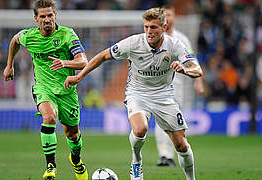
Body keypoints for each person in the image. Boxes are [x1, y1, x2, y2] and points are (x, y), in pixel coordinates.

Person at [64, 7, 203, 180]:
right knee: (140, 129)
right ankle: (136, 161)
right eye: (146, 27)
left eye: (153, 27)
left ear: (164, 27)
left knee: (182, 146)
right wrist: (80, 76)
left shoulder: (175, 45)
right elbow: (102, 56)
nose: (149, 32)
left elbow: (197, 69)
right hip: (138, 94)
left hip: (164, 96)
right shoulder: (132, 43)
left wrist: (185, 70)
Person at [3, 0, 88, 179]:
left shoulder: (67, 35)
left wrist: (65, 62)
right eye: (43, 16)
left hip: (67, 91)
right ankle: (51, 166)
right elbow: (15, 40)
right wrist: (9, 65)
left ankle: (76, 160)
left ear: (55, 15)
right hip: (43, 88)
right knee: (49, 117)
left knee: (72, 134)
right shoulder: (30, 36)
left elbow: (83, 61)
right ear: (36, 18)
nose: (47, 19)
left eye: (50, 15)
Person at [155, 5, 205, 167]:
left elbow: (192, 61)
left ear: (174, 17)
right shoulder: (154, 38)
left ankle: (173, 153)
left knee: (175, 121)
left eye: (170, 15)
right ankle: (164, 155)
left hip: (177, 86)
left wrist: (198, 80)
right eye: (165, 15)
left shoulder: (181, 39)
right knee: (160, 120)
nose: (168, 18)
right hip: (158, 86)